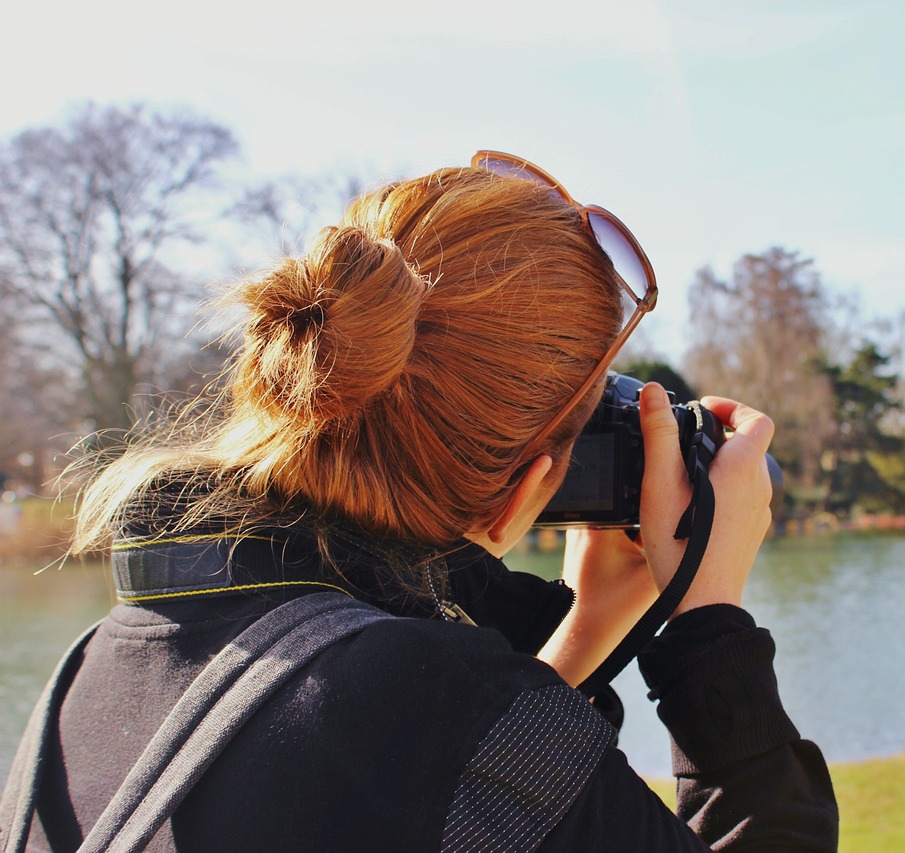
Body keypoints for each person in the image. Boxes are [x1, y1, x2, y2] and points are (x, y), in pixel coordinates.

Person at [0, 152, 838, 851]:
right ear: (525, 491)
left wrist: (585, 628)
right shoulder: (451, 708)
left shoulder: (90, 671)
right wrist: (707, 621)